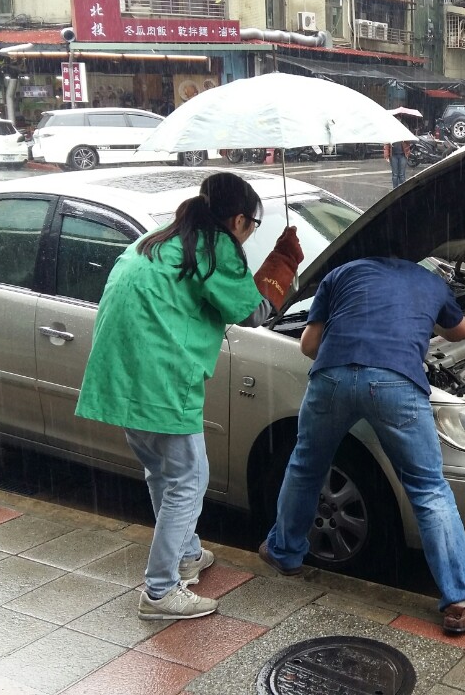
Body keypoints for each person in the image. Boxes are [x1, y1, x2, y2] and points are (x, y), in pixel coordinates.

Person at [75, 172, 304, 621]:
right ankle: (160, 591)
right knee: (189, 480)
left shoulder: (160, 239)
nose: (249, 233)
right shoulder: (213, 248)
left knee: (164, 474)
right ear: (239, 219)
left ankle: (185, 554)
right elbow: (252, 311)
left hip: (120, 373)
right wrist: (282, 263)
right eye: (252, 226)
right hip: (160, 376)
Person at [260, 255, 465, 635]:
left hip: (332, 377)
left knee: (306, 466)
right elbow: (461, 333)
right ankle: (463, 600)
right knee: (428, 488)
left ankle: (284, 553)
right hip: (396, 382)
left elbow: (308, 345)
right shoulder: (430, 281)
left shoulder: (341, 273)